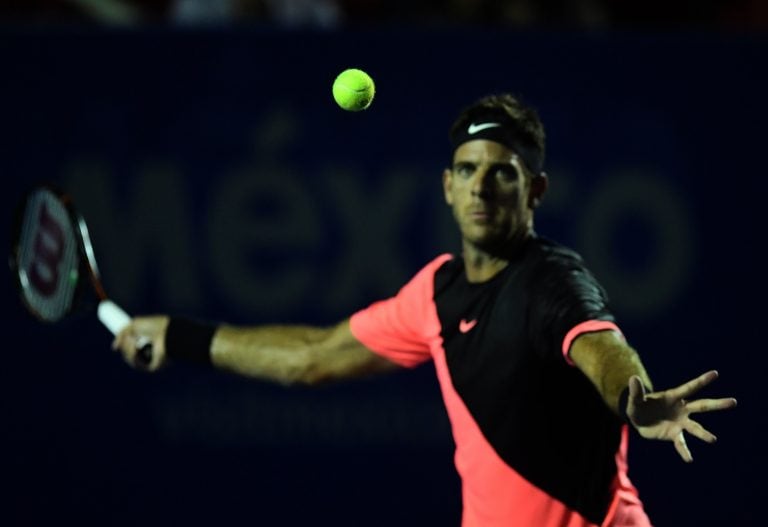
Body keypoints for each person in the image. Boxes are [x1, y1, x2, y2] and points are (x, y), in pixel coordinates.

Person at [113, 93, 737, 527]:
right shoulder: (433, 294)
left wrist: (634, 396)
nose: (481, 187)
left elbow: (602, 350)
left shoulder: (554, 281)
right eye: (467, 170)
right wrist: (180, 336)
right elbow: (312, 357)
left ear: (536, 190)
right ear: (446, 185)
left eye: (503, 174)